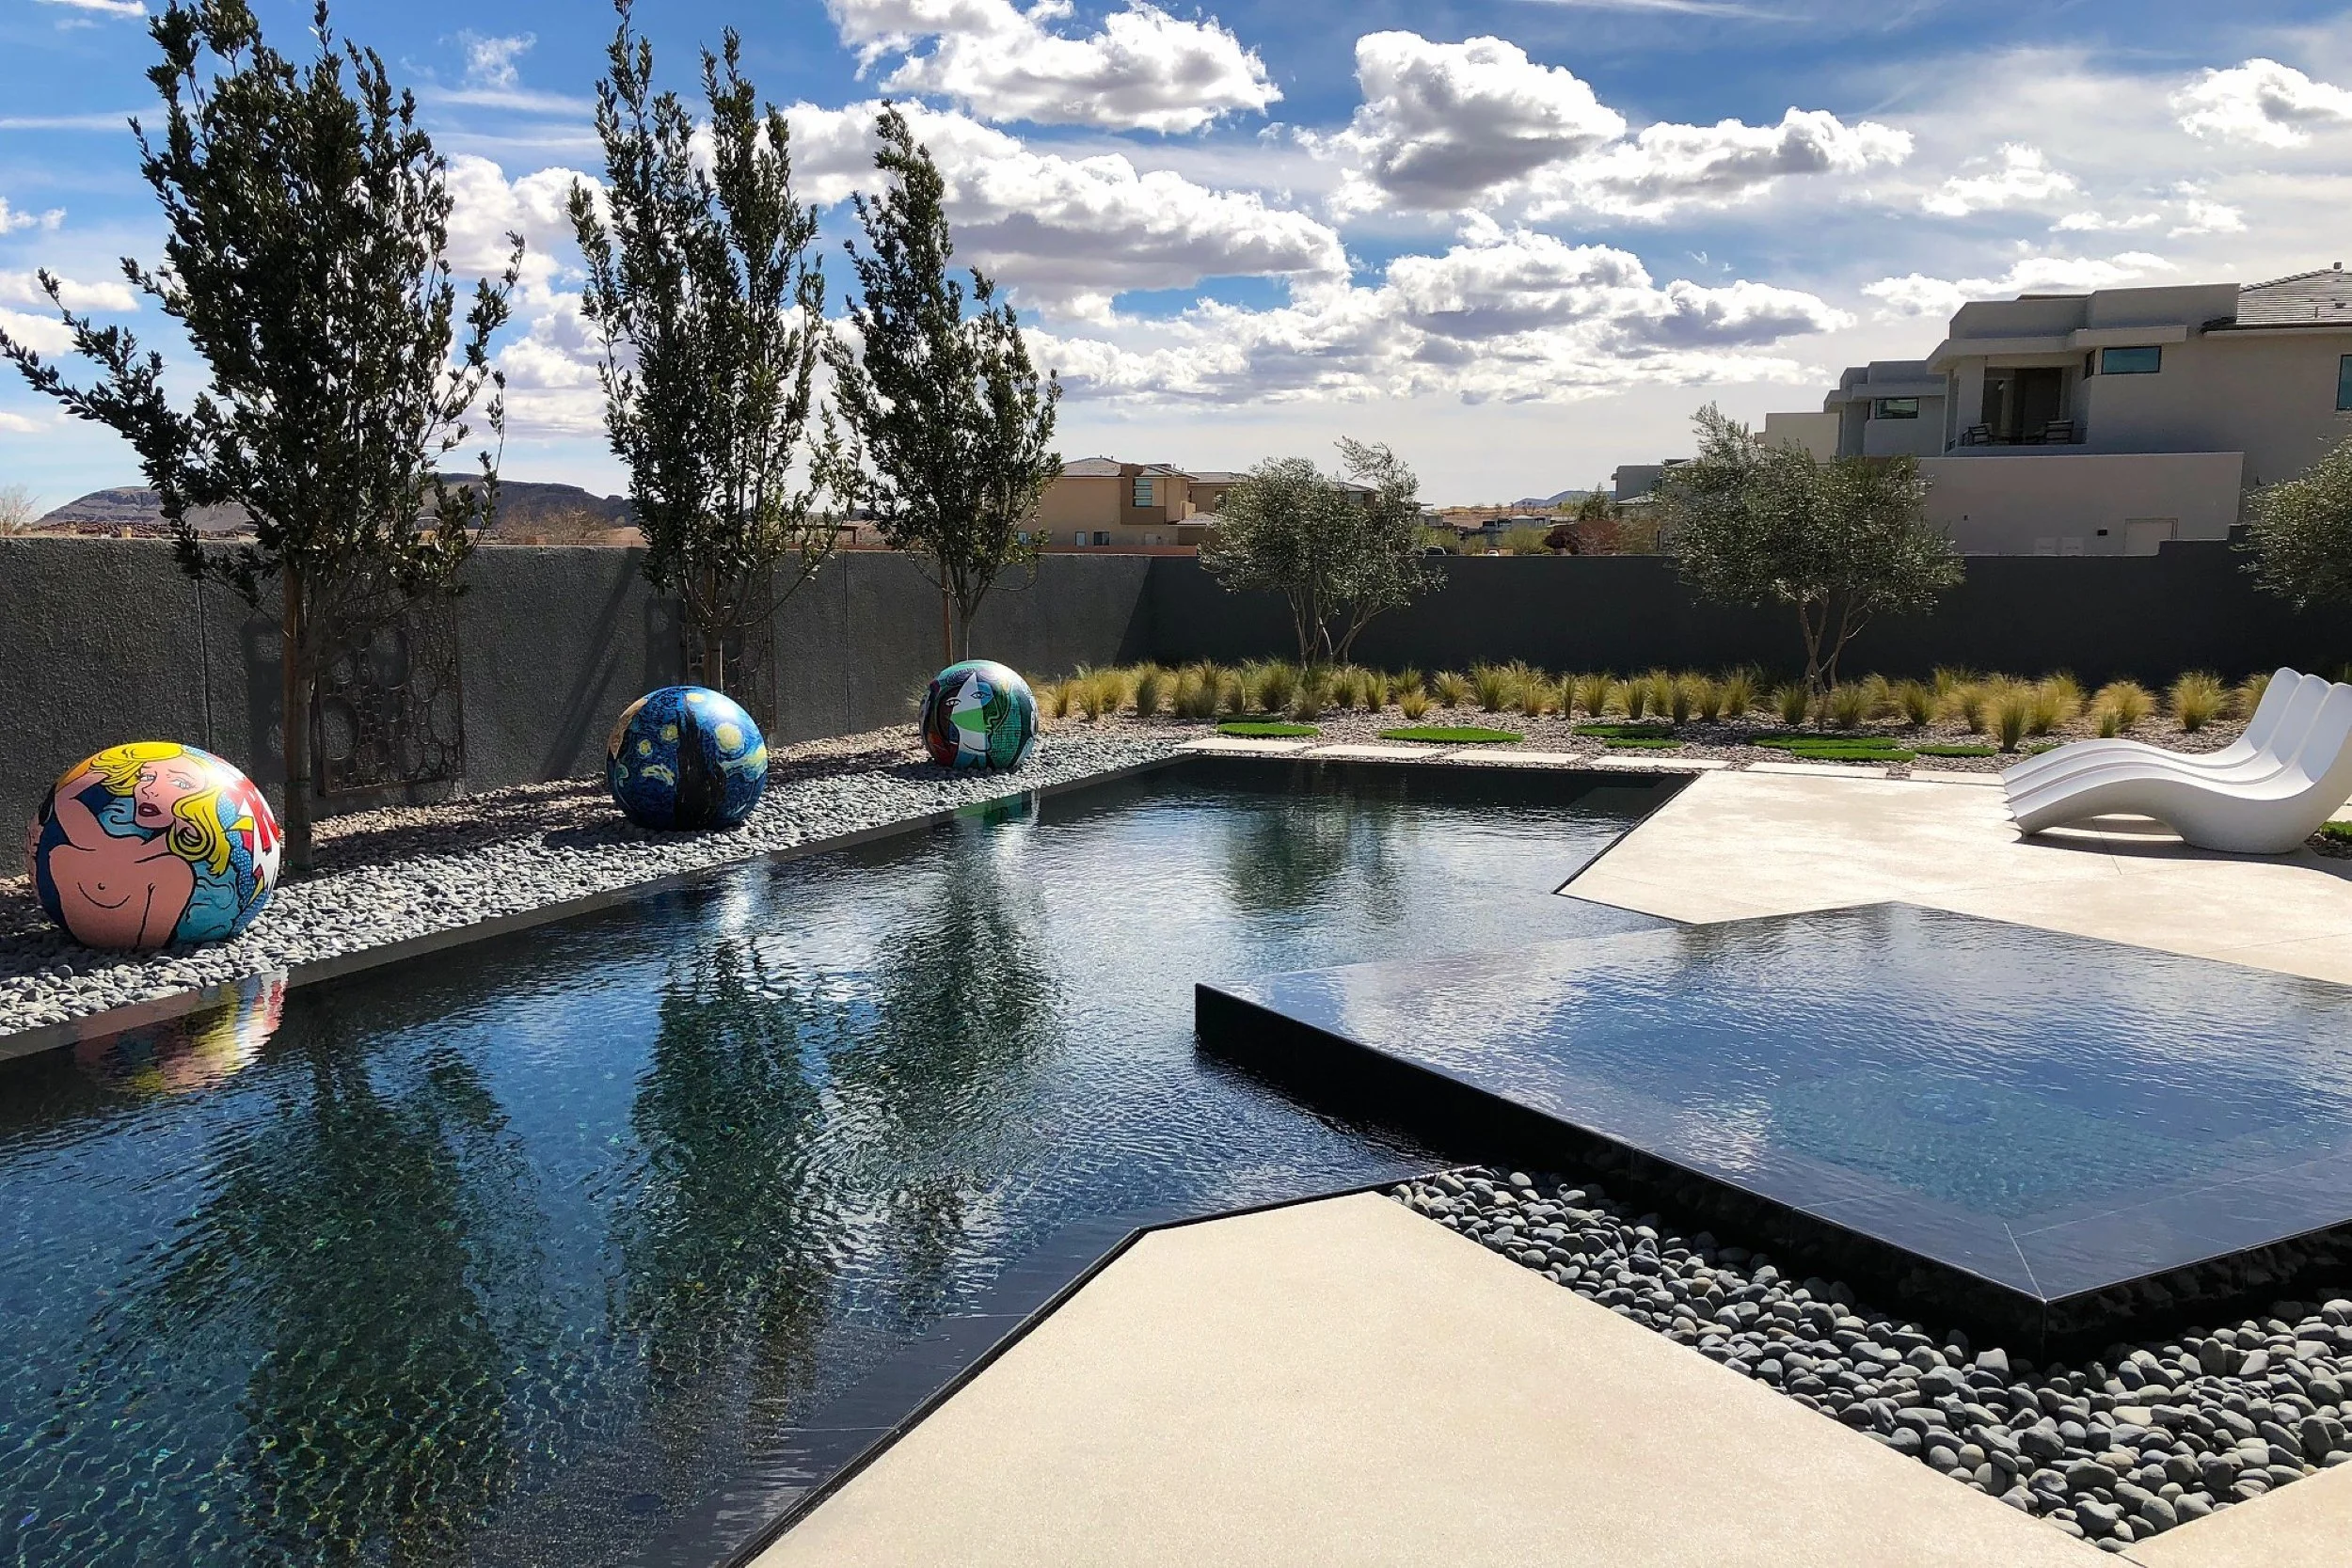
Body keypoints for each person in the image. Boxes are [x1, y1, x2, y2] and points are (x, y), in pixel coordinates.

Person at [35, 743, 246, 948]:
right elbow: (64, 800)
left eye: (181, 783)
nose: (150, 790)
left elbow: (66, 802)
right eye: (146, 777)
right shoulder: (94, 840)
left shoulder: (174, 870)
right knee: (64, 853)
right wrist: (108, 771)